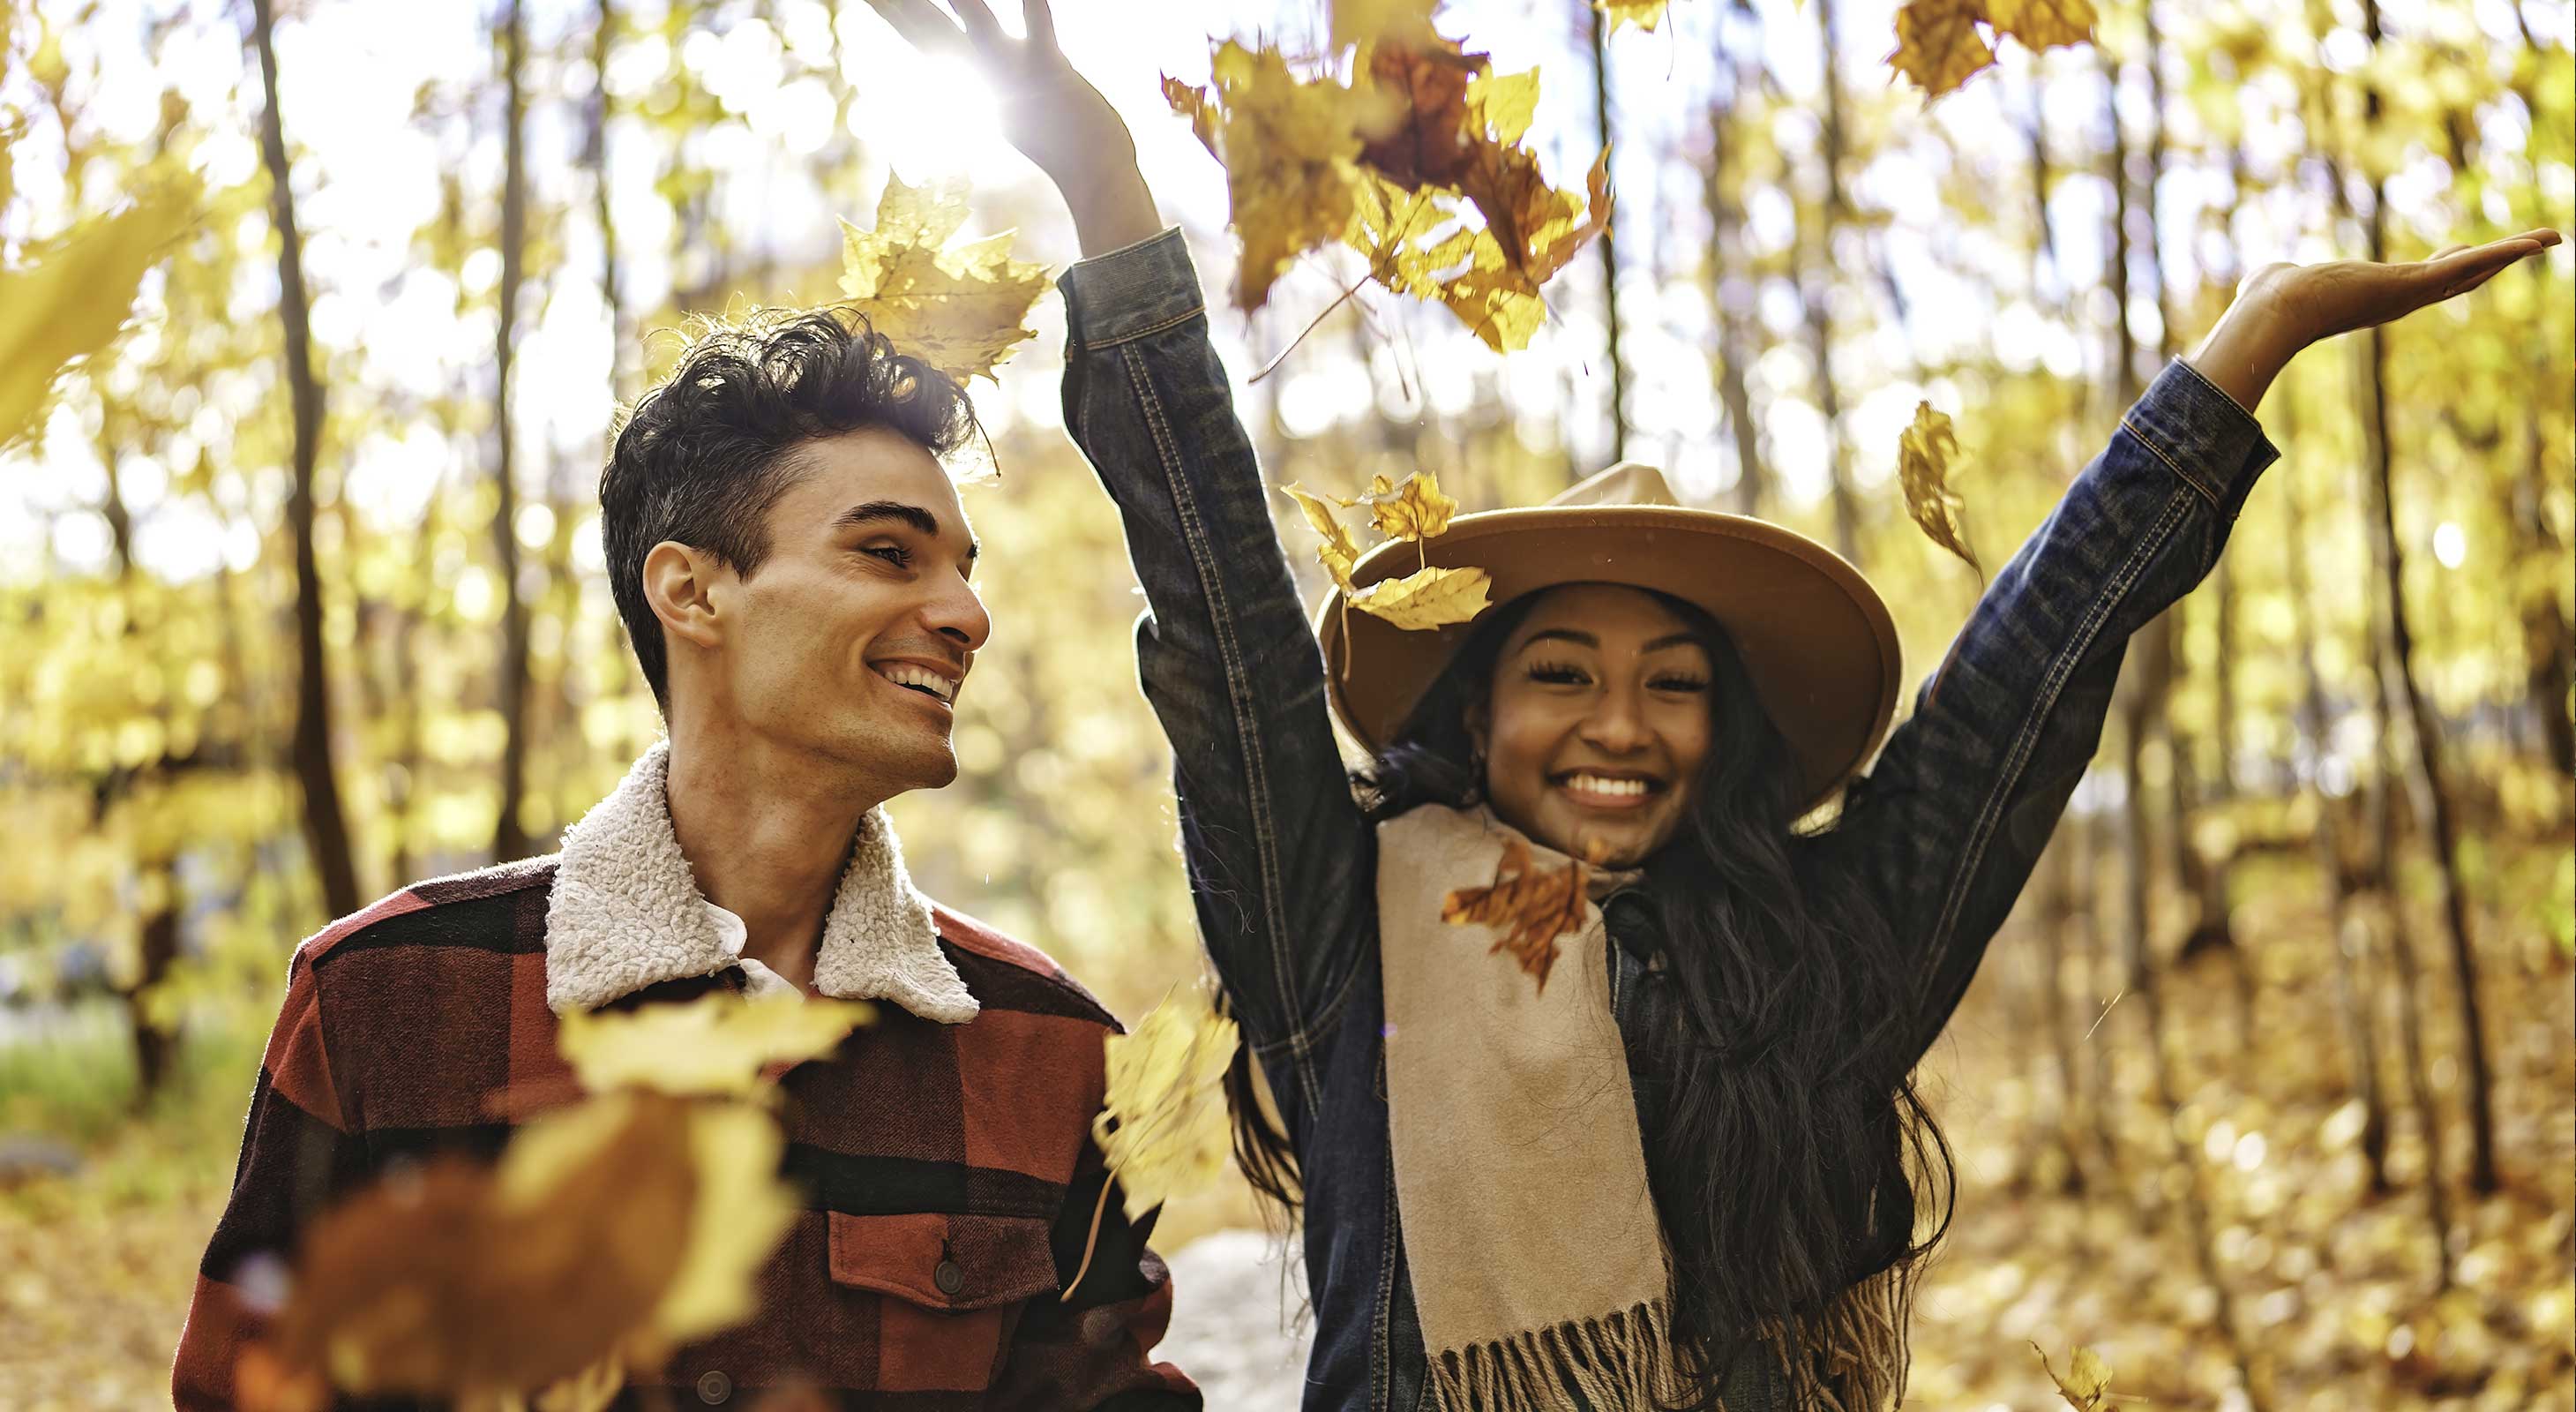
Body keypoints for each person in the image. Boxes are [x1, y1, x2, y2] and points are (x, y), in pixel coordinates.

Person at [881, 3, 2565, 1408]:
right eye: (1562, 674)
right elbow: (1224, 632)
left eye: (1674, 683)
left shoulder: (1824, 952)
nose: (1622, 722)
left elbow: (2018, 695)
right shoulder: (1342, 935)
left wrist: (2243, 350)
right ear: (1473, 714)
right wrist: (1107, 195)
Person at [173, 308, 1201, 1409]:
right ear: (693, 592)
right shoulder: (390, 1002)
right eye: (888, 552)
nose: (966, 615)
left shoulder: (1051, 1053)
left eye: (962, 569)